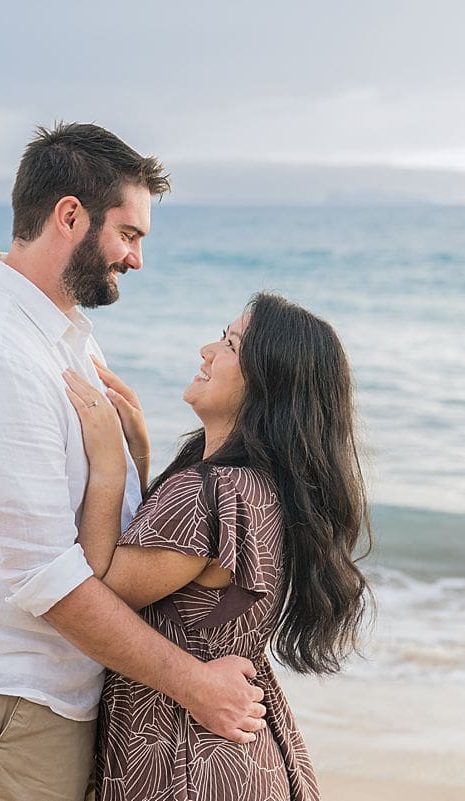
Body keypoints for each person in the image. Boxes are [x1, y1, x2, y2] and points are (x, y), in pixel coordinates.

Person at [0, 122, 267, 801]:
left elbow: (89, 542)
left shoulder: (53, 339)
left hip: (42, 699)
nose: (136, 259)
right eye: (130, 234)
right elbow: (48, 579)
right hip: (4, 700)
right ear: (70, 215)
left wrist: (136, 464)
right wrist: (195, 685)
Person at [61, 293, 373, 800]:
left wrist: (109, 467)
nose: (207, 350)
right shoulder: (262, 487)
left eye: (229, 344)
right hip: (240, 758)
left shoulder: (211, 492)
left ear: (267, 382)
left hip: (186, 764)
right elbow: (159, 567)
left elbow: (97, 594)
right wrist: (137, 455)